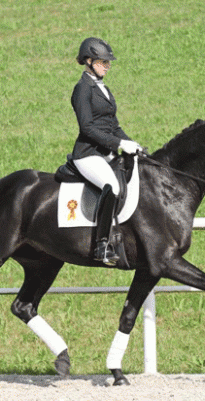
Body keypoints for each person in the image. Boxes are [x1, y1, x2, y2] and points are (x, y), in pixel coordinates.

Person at [70, 37, 142, 266]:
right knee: (112, 186)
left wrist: (133, 144)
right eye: (103, 62)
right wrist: (118, 145)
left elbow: (114, 126)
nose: (107, 66)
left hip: (105, 152)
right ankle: (102, 245)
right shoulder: (82, 89)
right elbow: (87, 128)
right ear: (88, 61)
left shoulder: (104, 89)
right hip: (88, 153)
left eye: (108, 63)